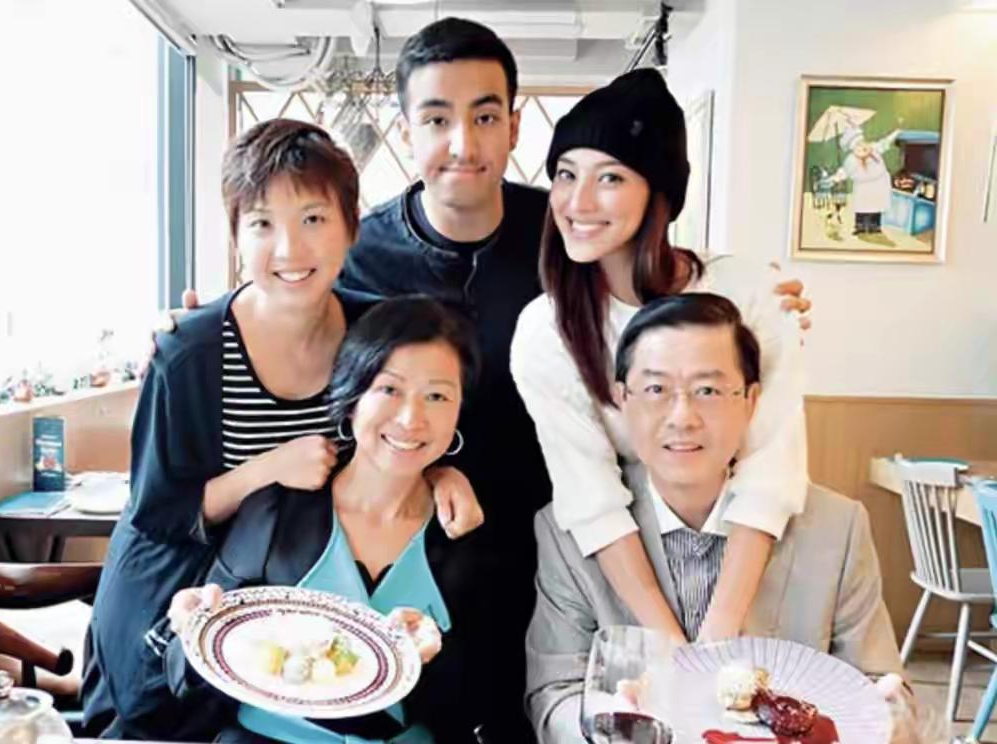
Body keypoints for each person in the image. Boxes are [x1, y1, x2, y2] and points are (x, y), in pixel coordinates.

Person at [172, 19, 811, 738]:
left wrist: (757, 300)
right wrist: (200, 323)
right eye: (436, 119)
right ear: (406, 129)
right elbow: (300, 307)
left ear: (514, 125)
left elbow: (659, 284)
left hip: (561, 544)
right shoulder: (359, 252)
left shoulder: (563, 236)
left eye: (484, 117)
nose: (462, 144)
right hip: (426, 547)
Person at [82, 119, 478, 739]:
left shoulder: (371, 333)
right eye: (263, 223)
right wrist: (268, 469)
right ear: (236, 236)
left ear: (352, 227)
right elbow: (157, 512)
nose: (290, 249)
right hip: (178, 598)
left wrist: (441, 470)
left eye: (314, 219)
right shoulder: (190, 353)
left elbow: (407, 415)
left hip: (287, 615)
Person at [510, 68, 808, 646]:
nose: (578, 201)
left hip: (751, 552)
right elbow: (590, 497)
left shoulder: (747, 294)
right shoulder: (546, 331)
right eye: (566, 174)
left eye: (610, 177)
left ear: (659, 194)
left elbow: (772, 468)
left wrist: (717, 635)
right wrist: (670, 645)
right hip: (625, 560)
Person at [525, 292, 904, 742]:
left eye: (708, 390)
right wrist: (611, 724)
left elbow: (883, 687)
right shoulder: (568, 534)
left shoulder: (836, 528)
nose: (682, 417)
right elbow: (554, 694)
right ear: (622, 398)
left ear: (750, 400)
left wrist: (884, 721)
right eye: (656, 390)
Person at [161, 296, 495, 743]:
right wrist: (191, 628)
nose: (411, 418)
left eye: (437, 396)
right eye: (389, 390)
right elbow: (187, 680)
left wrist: (437, 659)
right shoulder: (278, 512)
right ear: (353, 398)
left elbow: (484, 700)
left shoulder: (467, 531)